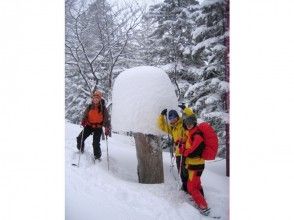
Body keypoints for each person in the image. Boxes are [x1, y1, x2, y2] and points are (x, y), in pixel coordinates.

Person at [179, 112, 210, 216]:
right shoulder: (190, 132)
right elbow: (188, 143)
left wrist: (183, 151)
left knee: (191, 187)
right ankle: (201, 199)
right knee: (196, 184)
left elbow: (193, 151)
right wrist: (181, 141)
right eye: (186, 122)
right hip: (194, 165)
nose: (188, 124)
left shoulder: (197, 135)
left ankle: (204, 207)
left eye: (190, 122)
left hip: (195, 165)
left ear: (194, 122)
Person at [157, 105, 194, 192]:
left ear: (177, 117)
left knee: (187, 171)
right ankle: (186, 188)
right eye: (170, 118)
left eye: (174, 117)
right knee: (181, 171)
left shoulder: (184, 124)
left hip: (186, 152)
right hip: (178, 153)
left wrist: (185, 109)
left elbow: (191, 117)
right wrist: (161, 116)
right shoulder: (172, 128)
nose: (172, 119)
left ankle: (191, 187)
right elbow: (161, 126)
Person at [76, 90, 111, 160]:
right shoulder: (89, 107)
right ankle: (81, 149)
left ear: (100, 99)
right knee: (80, 138)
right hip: (89, 126)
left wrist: (107, 128)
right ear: (93, 98)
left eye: (97, 98)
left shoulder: (103, 108)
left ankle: (97, 157)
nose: (95, 99)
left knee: (95, 143)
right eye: (94, 97)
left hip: (98, 127)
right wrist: (83, 120)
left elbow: (107, 119)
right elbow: (85, 115)